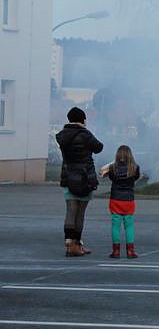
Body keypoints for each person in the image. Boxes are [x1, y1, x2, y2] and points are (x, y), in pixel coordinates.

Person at [56, 107, 104, 257]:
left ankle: (69, 242)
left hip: (69, 177)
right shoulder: (85, 134)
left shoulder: (62, 135)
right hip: (85, 178)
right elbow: (99, 147)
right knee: (80, 213)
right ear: (82, 119)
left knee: (70, 210)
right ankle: (77, 244)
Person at [104, 145, 141, 259]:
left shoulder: (113, 168)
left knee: (115, 225)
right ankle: (130, 251)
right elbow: (136, 178)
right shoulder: (134, 168)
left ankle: (115, 251)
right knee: (129, 225)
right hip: (129, 199)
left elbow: (108, 176)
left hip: (115, 199)